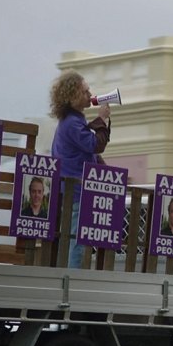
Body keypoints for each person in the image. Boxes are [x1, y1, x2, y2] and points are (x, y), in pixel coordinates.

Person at [50, 70, 112, 268]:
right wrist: (102, 120)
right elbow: (94, 145)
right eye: (85, 91)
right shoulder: (72, 123)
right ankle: (72, 279)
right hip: (76, 192)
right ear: (73, 95)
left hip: (75, 190)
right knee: (77, 239)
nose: (89, 94)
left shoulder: (72, 121)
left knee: (77, 238)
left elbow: (90, 151)